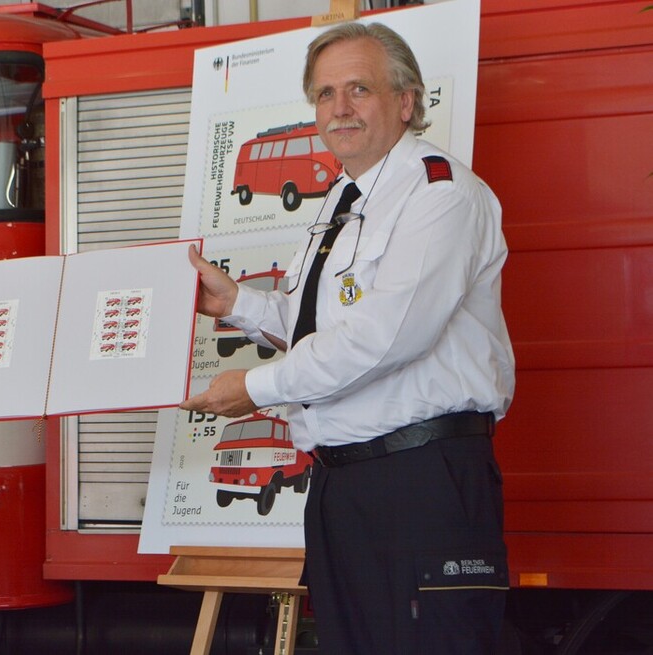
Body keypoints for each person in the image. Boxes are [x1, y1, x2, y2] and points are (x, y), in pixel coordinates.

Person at [182, 21, 515, 654]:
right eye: (325, 93)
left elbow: (386, 339)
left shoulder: (440, 194)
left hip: (421, 481)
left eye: (359, 88)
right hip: (343, 485)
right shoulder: (345, 196)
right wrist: (241, 305)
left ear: (406, 101)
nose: (339, 108)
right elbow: (325, 328)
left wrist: (253, 387)